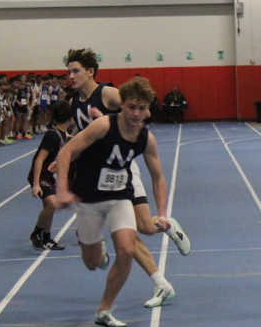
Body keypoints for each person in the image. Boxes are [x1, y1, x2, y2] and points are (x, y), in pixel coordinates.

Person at [65, 48, 191, 309]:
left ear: (91, 71)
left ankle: (164, 229)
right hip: (95, 173)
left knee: (139, 229)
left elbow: (139, 109)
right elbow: (81, 136)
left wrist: (109, 120)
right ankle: (161, 278)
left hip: (121, 169)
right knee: (134, 233)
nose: (71, 76)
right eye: (69, 71)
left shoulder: (107, 93)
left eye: (76, 71)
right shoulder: (74, 101)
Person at [28, 100, 74, 251]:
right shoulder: (52, 135)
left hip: (49, 176)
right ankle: (36, 233)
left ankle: (46, 238)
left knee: (49, 207)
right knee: (53, 204)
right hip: (41, 176)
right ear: (70, 118)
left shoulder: (62, 134)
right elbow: (39, 159)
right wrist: (36, 184)